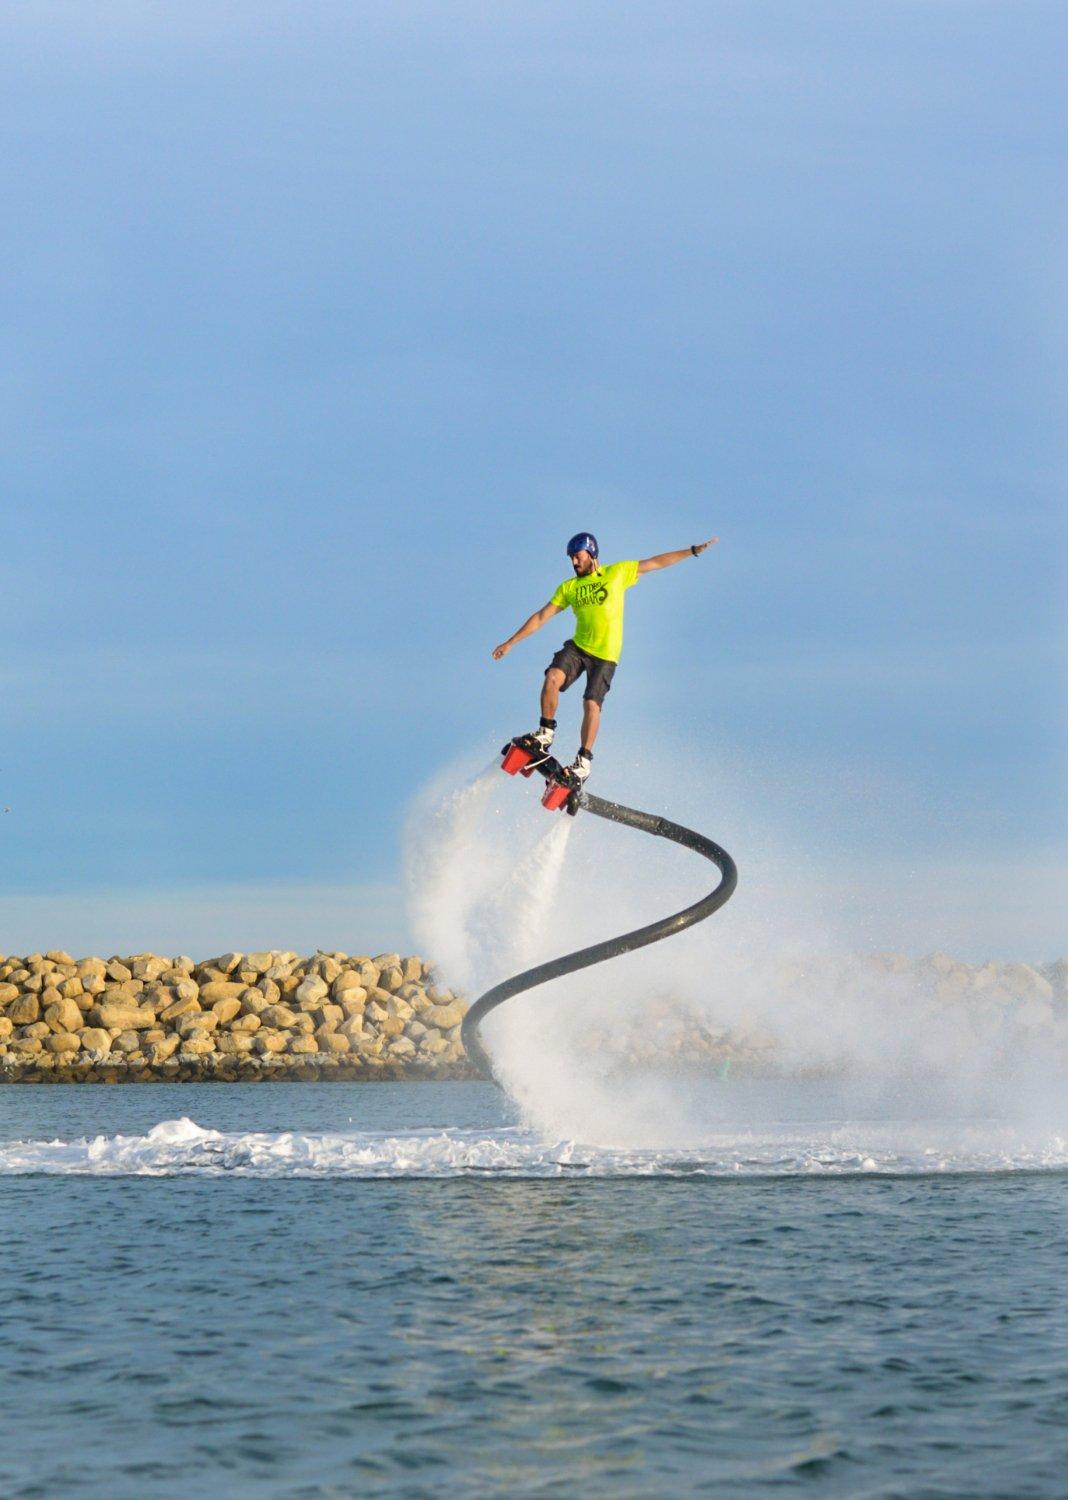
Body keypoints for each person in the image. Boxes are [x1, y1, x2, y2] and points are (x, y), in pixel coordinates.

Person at [492, 530, 719, 783]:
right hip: (578, 647)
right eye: (571, 558)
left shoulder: (617, 573)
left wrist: (692, 551)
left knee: (591, 703)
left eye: (577, 556)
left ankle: (583, 763)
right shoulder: (569, 587)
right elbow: (541, 616)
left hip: (606, 656)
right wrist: (511, 642)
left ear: (591, 553)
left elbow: (656, 562)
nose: (573, 562)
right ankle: (545, 734)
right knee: (552, 676)